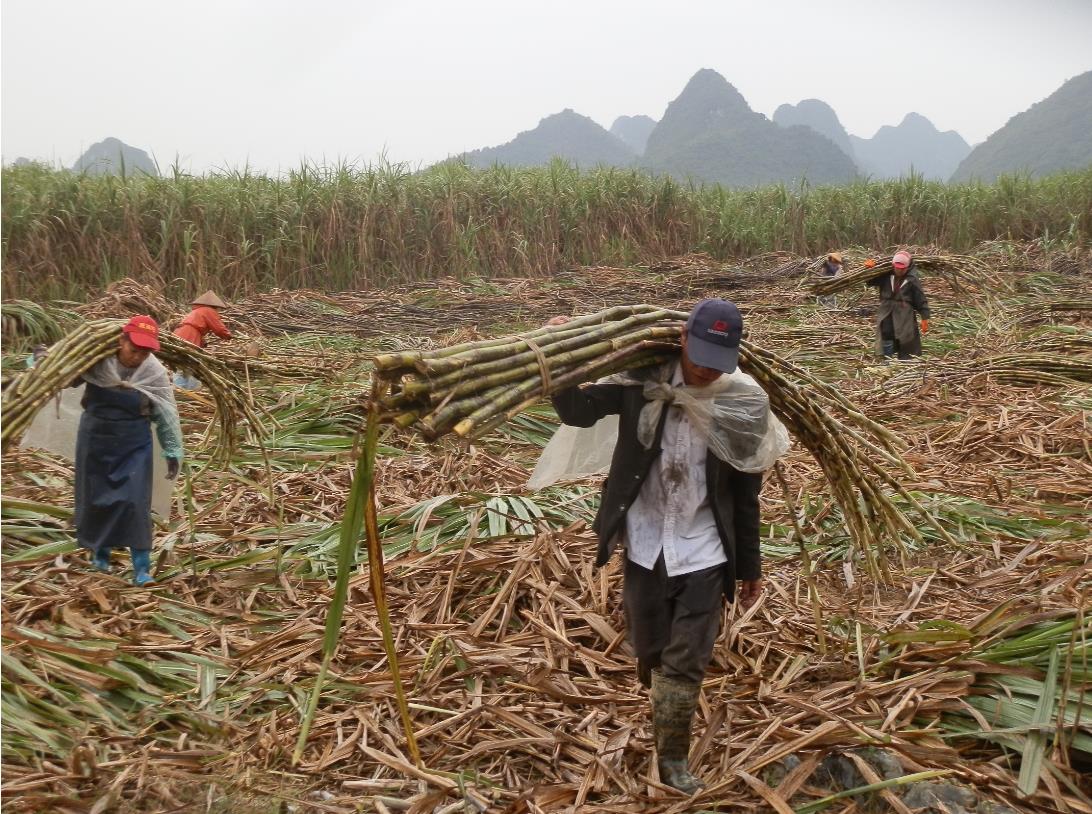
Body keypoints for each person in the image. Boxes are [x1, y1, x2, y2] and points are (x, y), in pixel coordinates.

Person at [548, 299, 776, 794]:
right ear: (682, 341)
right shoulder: (641, 380)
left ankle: (673, 760)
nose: (704, 369)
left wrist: (749, 564)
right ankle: (664, 707)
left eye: (717, 361)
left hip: (704, 548)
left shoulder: (741, 402)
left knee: (686, 657)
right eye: (697, 356)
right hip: (645, 539)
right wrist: (558, 354)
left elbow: (745, 492)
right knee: (649, 652)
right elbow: (579, 411)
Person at [75, 316, 184, 585]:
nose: (138, 357)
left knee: (135, 502)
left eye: (145, 352)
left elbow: (165, 412)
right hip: (95, 439)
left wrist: (172, 448)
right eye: (134, 349)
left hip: (133, 443)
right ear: (121, 340)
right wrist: (40, 364)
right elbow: (62, 378)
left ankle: (142, 568)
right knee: (97, 499)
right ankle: (100, 558)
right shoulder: (96, 359)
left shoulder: (154, 372)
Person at [869, 250, 930, 359]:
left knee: (905, 337)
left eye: (902, 269)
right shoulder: (886, 275)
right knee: (886, 332)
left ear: (908, 267)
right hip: (887, 309)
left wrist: (925, 316)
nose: (899, 270)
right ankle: (887, 359)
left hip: (904, 313)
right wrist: (870, 269)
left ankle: (904, 361)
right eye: (897, 268)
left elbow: (920, 298)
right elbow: (871, 282)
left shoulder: (912, 280)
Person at [173, 291, 232, 389]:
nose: (218, 310)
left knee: (184, 363)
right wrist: (228, 335)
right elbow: (218, 328)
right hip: (189, 335)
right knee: (190, 362)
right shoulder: (208, 310)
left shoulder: (197, 311)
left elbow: (197, 328)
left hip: (181, 334)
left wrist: (202, 343)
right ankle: (185, 390)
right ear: (214, 306)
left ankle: (183, 389)